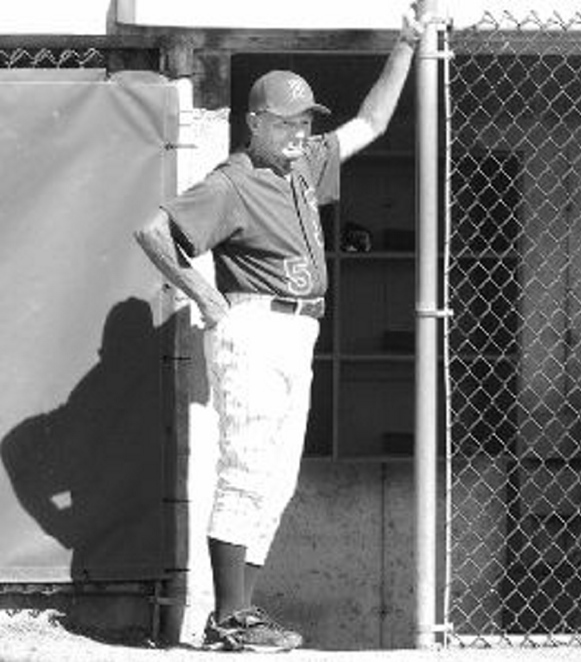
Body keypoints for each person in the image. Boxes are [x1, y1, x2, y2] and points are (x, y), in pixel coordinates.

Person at [134, 8, 424, 653]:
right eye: (284, 121)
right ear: (255, 122)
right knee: (246, 469)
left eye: (303, 121)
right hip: (253, 326)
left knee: (278, 476)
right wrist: (204, 294)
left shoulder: (303, 167)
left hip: (299, 334)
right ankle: (229, 618)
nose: (297, 132)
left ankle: (243, 614)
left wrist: (404, 44)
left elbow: (371, 122)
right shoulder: (233, 180)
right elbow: (154, 233)